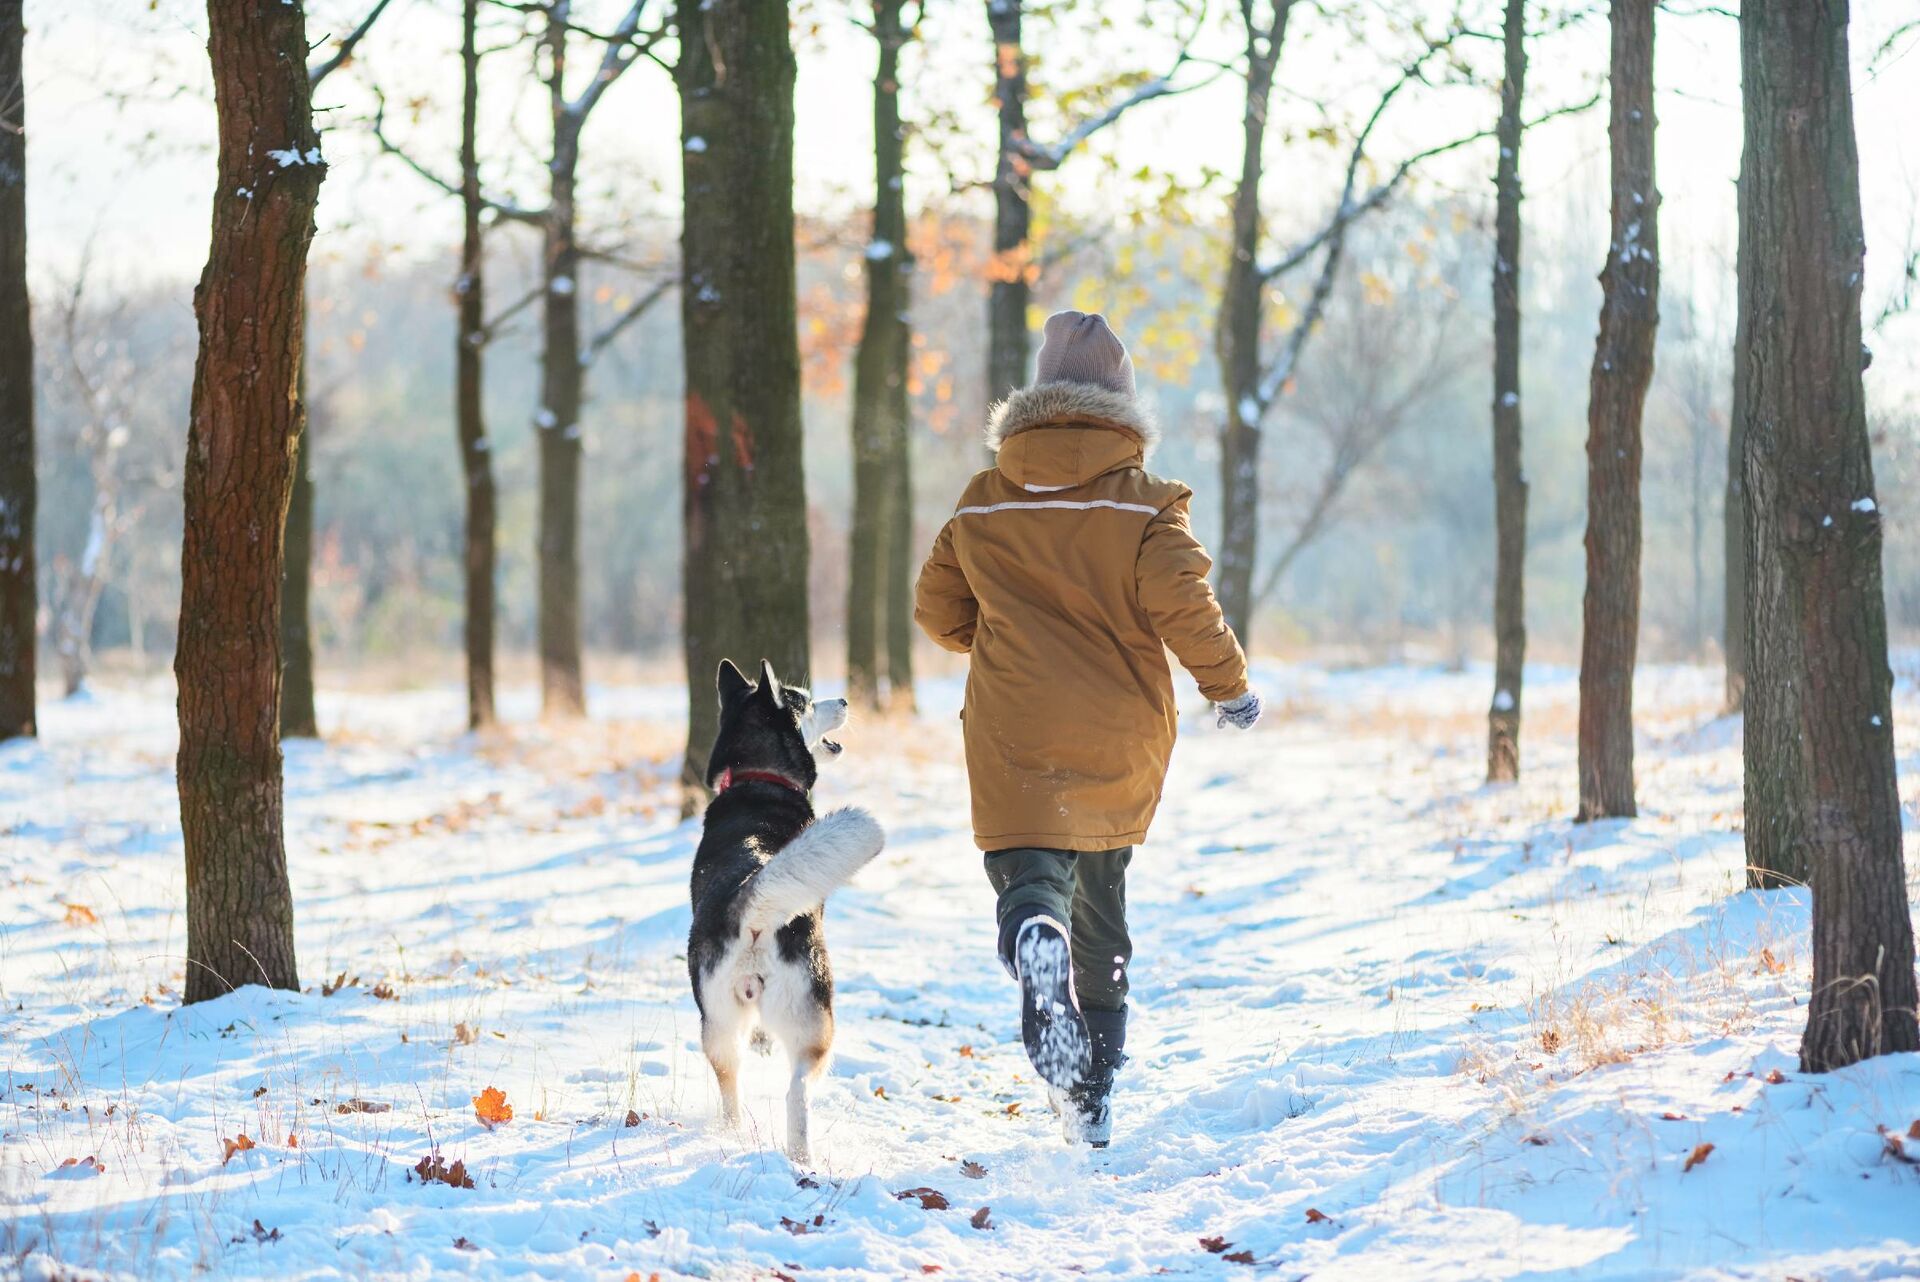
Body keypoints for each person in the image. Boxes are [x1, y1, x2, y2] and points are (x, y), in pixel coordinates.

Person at [913, 310, 1262, 1146]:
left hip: (1010, 727)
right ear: (1122, 407)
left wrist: (998, 642)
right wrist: (1231, 691)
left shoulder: (983, 501)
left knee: (1032, 870)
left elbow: (935, 611)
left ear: (1035, 401)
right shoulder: (1145, 507)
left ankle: (1034, 930)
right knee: (1103, 908)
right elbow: (1189, 611)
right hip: (1117, 736)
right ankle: (1093, 1094)